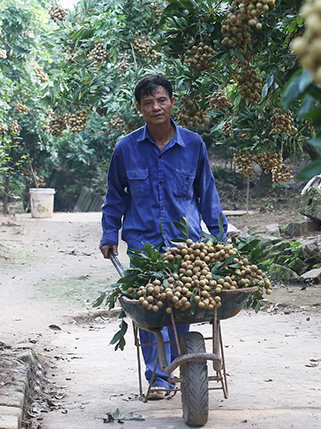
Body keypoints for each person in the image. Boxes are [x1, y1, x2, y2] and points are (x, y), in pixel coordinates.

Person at [99, 74, 227, 399]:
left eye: (161, 100)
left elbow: (206, 193)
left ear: (172, 102)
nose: (156, 107)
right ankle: (157, 377)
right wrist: (109, 233)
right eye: (148, 103)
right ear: (139, 108)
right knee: (151, 311)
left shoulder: (193, 144)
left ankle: (180, 368)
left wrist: (220, 236)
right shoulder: (125, 148)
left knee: (181, 309)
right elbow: (115, 195)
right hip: (143, 246)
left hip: (185, 245)